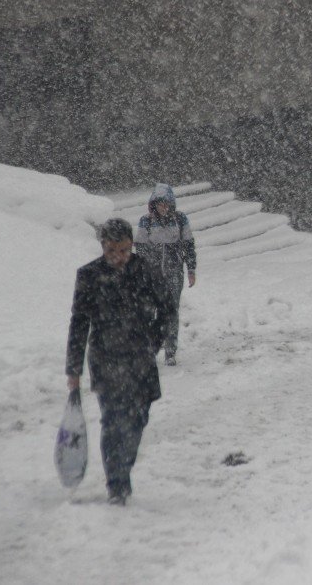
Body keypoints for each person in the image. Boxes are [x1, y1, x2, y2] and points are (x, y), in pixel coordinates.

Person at [66, 218, 172, 505]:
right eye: (112, 250)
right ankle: (117, 484)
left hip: (140, 359)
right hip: (105, 359)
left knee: (137, 420)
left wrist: (154, 340)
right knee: (113, 422)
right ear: (103, 247)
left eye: (124, 250)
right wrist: (73, 369)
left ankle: (123, 466)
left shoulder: (145, 271)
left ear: (131, 246)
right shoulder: (89, 276)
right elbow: (79, 323)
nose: (118, 257)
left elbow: (167, 307)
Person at [134, 183, 197, 366]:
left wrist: (191, 269)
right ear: (153, 205)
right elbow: (141, 248)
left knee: (171, 312)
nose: (163, 207)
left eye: (166, 204)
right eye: (159, 204)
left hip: (174, 274)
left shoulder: (180, 219)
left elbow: (189, 245)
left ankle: (170, 351)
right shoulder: (146, 221)